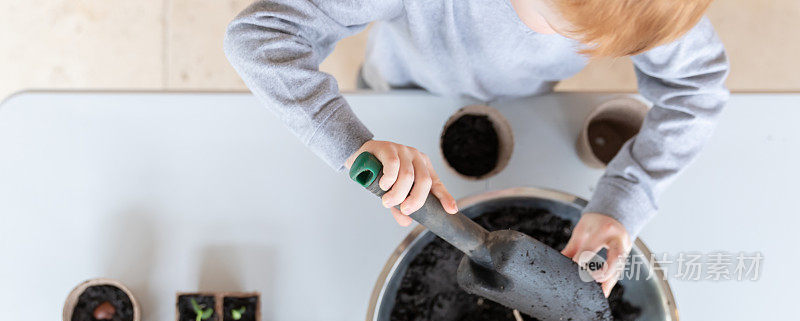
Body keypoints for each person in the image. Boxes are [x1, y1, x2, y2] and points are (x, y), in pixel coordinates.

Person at [224, 0, 729, 295]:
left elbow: (697, 87)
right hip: (402, 94)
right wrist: (353, 144)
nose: (576, 49)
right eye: (562, 31)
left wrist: (623, 201)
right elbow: (259, 36)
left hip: (525, 106)